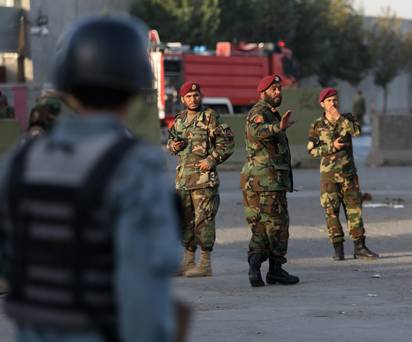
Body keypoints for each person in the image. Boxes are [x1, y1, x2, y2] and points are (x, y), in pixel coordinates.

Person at [0, 16, 182, 341]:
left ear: (66, 85)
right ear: (132, 87)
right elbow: (143, 292)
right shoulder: (136, 168)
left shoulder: (19, 163)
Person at [166, 81, 234, 277]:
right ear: (182, 99)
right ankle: (188, 261)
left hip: (204, 180)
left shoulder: (210, 117)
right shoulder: (179, 120)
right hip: (184, 180)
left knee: (204, 220)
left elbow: (227, 142)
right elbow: (171, 142)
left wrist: (211, 160)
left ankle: (205, 264)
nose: (193, 99)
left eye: (196, 95)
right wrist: (173, 146)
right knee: (185, 221)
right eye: (189, 96)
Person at [307, 87, 379, 261]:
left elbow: (357, 132)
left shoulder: (347, 119)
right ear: (322, 104)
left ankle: (359, 247)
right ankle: (338, 249)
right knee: (331, 212)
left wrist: (339, 118)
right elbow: (311, 150)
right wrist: (332, 147)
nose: (333, 103)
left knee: (354, 211)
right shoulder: (317, 125)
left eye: (335, 100)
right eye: (329, 101)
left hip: (348, 175)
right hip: (329, 177)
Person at [241, 74, 299, 287]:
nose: (278, 92)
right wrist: (278, 128)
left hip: (263, 181)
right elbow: (258, 132)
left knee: (262, 225)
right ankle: (273, 270)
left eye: (279, 89)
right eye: (274, 89)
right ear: (262, 93)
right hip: (266, 182)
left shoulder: (272, 114)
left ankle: (257, 269)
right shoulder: (259, 113)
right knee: (276, 225)